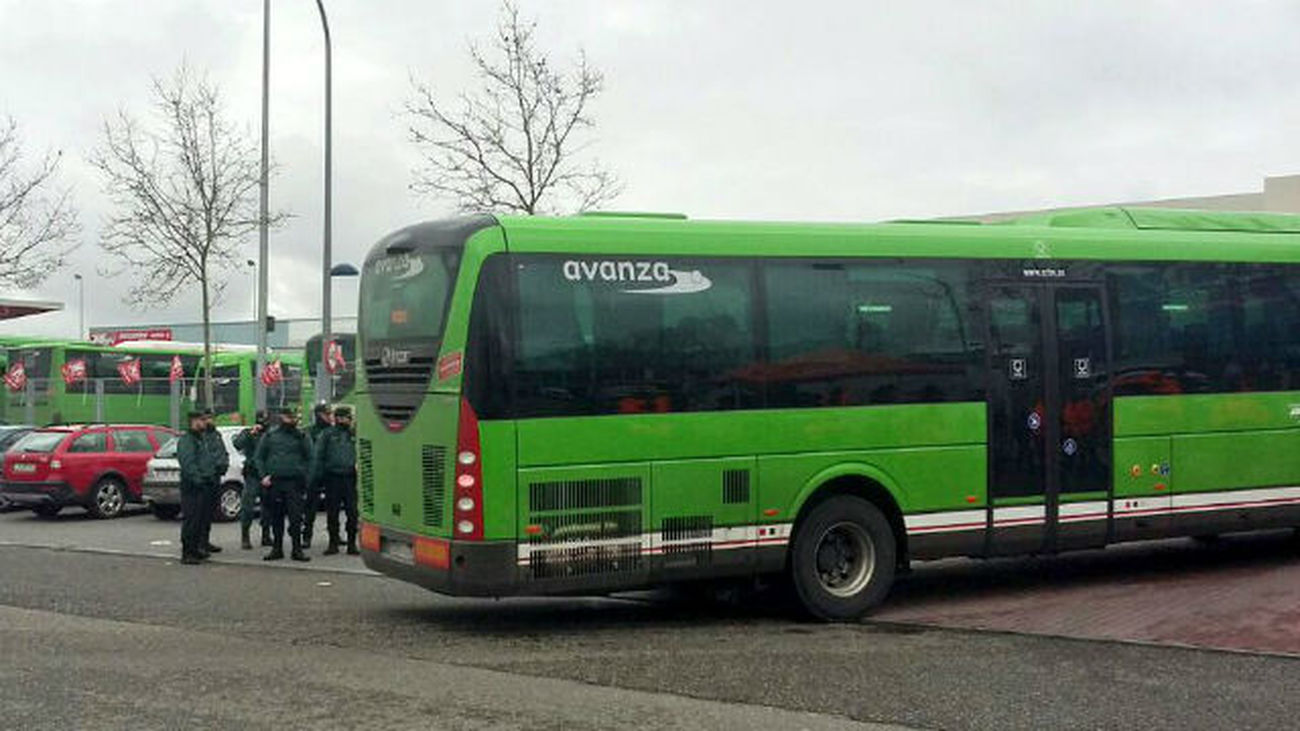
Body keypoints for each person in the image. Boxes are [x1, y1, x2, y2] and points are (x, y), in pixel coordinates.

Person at [255, 407, 313, 562]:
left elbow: (310, 457)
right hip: (275, 482)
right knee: (276, 517)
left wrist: (306, 476)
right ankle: (277, 548)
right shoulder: (271, 436)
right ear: (281, 418)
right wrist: (263, 476)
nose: (292, 420)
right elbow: (259, 457)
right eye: (288, 417)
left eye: (293, 418)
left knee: (295, 518)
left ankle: (297, 549)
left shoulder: (301, 436)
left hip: (294, 482)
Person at [311, 405, 359, 555]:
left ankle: (352, 544)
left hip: (350, 478)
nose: (349, 420)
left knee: (352, 512)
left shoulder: (354, 433)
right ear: (339, 418)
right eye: (346, 417)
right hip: (333, 478)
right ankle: (333, 543)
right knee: (332, 512)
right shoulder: (328, 434)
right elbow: (318, 455)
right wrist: (317, 477)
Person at [176, 410, 217, 565]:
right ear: (194, 422)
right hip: (193, 486)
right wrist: (198, 480)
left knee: (200, 520)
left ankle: (196, 549)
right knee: (192, 520)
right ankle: (187, 552)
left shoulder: (201, 439)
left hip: (204, 484)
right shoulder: (188, 440)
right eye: (202, 420)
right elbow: (188, 464)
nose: (205, 423)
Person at [232, 410, 270, 550]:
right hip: (252, 475)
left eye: (265, 419)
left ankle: (266, 535)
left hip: (266, 474)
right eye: (260, 419)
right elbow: (237, 444)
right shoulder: (249, 433)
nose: (263, 422)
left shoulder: (270, 434)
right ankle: (245, 536)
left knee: (268, 507)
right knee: (248, 507)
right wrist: (250, 434)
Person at [197, 409, 230, 556]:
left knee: (209, 512)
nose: (210, 421)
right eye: (207, 418)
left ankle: (205, 541)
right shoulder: (200, 437)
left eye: (212, 418)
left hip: (215, 477)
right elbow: (207, 457)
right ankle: (198, 543)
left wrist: (224, 464)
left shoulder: (216, 435)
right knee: (200, 513)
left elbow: (222, 452)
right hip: (204, 479)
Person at [301, 402, 333, 549]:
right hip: (314, 474)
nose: (329, 417)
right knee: (310, 507)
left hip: (330, 473)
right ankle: (306, 536)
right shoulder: (308, 432)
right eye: (326, 414)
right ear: (318, 415)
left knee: (333, 507)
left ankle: (335, 537)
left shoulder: (334, 432)